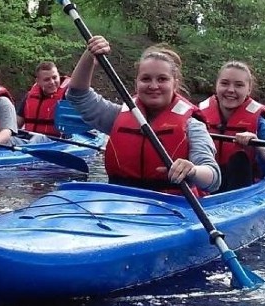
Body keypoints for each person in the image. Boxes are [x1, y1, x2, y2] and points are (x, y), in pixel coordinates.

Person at [65, 35, 221, 196]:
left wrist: (193, 170)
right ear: (136, 83)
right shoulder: (118, 116)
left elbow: (213, 179)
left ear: (175, 83)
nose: (154, 86)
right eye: (146, 79)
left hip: (173, 208)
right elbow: (78, 95)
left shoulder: (192, 124)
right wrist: (89, 56)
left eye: (162, 79)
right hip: (119, 203)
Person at [197, 61, 265, 192]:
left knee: (239, 159)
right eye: (224, 83)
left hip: (242, 191)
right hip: (204, 186)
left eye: (239, 85)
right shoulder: (197, 119)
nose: (231, 90)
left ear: (248, 89)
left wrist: (259, 146)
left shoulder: (260, 124)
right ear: (216, 85)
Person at [17, 61, 70, 137]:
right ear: (38, 81)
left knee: (37, 139)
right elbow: (17, 123)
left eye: (54, 77)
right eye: (47, 80)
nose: (52, 82)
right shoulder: (29, 96)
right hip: (30, 141)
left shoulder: (68, 95)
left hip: (56, 142)